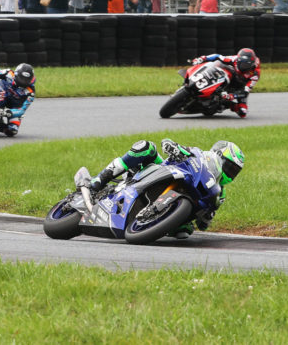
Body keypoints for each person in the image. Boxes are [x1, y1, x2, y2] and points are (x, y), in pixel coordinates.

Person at [87, 138, 245, 238]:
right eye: (229, 167)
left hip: (180, 206)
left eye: (234, 172)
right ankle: (100, 178)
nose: (230, 173)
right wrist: (172, 147)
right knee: (146, 147)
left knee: (184, 231)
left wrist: (205, 218)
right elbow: (169, 143)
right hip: (159, 171)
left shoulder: (220, 193)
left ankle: (158, 221)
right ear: (218, 156)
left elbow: (205, 222)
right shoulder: (198, 154)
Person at [187, 48, 260, 118]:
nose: (243, 66)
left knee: (242, 112)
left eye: (246, 65)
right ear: (238, 60)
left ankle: (228, 104)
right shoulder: (234, 59)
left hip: (240, 86)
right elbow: (217, 56)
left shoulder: (255, 75)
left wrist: (231, 96)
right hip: (230, 75)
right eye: (241, 63)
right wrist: (202, 58)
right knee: (215, 66)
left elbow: (245, 92)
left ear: (251, 65)